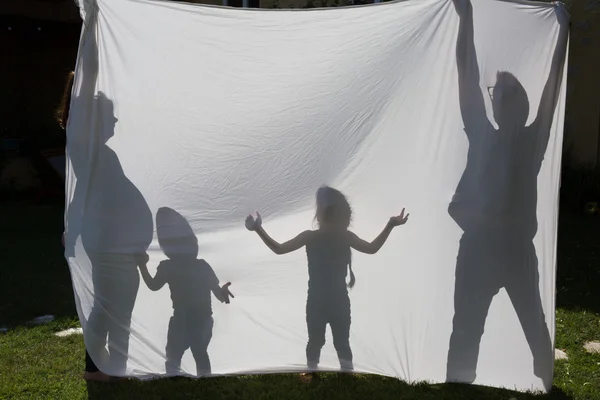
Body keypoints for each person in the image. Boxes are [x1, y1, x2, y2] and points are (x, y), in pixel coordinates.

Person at [446, 0, 567, 389]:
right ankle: (458, 385)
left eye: (498, 92)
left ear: (511, 104)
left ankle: (545, 382)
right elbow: (466, 71)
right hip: (481, 250)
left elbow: (551, 89)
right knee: (466, 330)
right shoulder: (484, 134)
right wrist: (466, 19)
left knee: (533, 329)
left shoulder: (531, 141)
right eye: (494, 91)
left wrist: (563, 34)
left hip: (513, 252)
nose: (492, 95)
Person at [245, 186, 409, 375]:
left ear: (321, 216)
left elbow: (279, 249)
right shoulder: (339, 236)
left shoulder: (315, 236)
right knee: (334, 341)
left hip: (321, 300)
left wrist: (258, 229)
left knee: (322, 341)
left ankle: (316, 372)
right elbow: (372, 248)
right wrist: (390, 225)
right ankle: (331, 373)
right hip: (334, 300)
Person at [56, 71, 114, 382]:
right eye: (111, 115)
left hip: (98, 231)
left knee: (108, 299)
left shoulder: (92, 150)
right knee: (105, 300)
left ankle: (104, 366)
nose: (116, 121)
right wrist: (95, 35)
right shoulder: (85, 143)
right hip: (98, 234)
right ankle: (96, 369)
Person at [137, 207, 234, 376]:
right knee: (199, 353)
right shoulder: (201, 266)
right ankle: (203, 380)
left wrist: (142, 265)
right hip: (200, 320)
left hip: (184, 320)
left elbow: (153, 285)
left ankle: (175, 380)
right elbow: (217, 292)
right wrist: (222, 293)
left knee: (174, 355)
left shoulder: (169, 267)